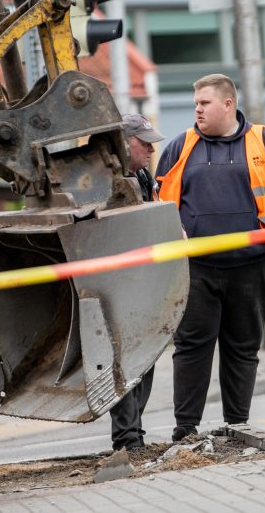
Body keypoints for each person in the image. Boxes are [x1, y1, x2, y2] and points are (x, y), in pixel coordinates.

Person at [155, 73, 265, 442]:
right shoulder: (180, 147)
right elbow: (157, 205)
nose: (197, 111)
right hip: (195, 269)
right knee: (191, 348)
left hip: (251, 267)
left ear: (228, 104)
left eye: (204, 104)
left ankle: (237, 425)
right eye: (195, 104)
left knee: (242, 349)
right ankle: (185, 430)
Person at [109, 113, 166, 451]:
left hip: (144, 282)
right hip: (117, 286)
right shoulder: (106, 181)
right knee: (125, 359)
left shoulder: (143, 177)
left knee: (145, 356)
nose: (150, 149)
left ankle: (134, 433)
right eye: (143, 142)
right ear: (122, 142)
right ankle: (127, 438)